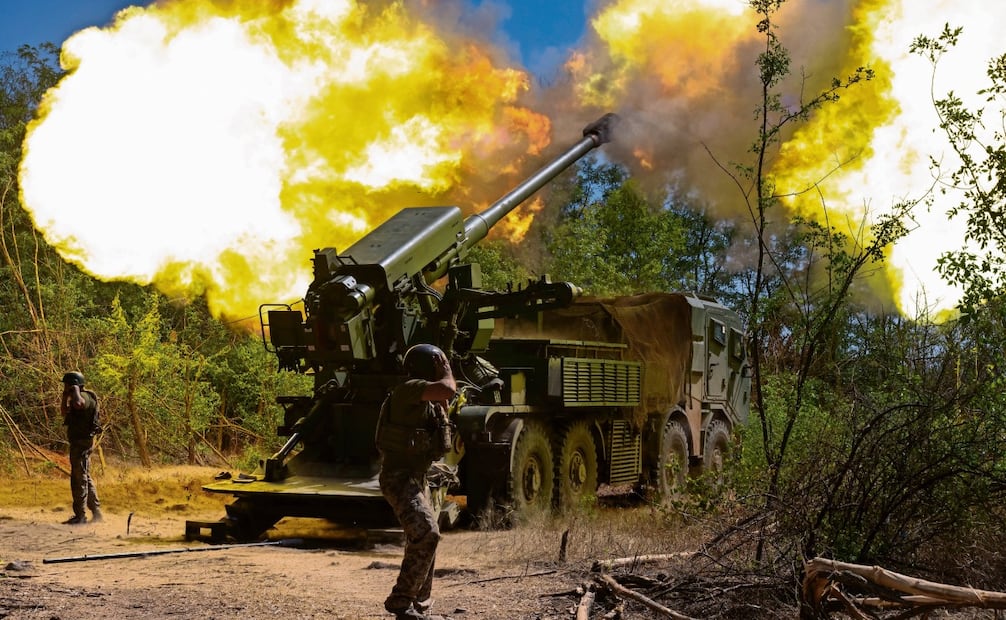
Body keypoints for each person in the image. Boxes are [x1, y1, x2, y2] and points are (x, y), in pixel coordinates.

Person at [376, 344, 456, 620]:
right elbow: (448, 388)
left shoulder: (424, 400)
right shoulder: (408, 388)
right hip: (399, 479)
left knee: (422, 539)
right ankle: (401, 601)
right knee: (427, 533)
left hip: (415, 478)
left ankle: (419, 603)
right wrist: (446, 370)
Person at [61, 371, 102, 525]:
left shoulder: (85, 397)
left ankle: (81, 516)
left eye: (67, 385)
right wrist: (65, 395)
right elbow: (64, 412)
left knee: (79, 479)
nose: (66, 387)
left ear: (75, 384)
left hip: (82, 444)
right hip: (77, 443)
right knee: (84, 476)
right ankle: (96, 512)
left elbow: (79, 404)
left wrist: (75, 390)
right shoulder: (75, 398)